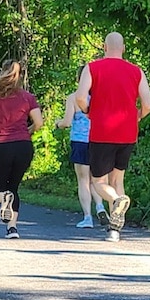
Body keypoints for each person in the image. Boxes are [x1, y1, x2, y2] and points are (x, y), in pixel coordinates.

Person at [75, 33, 150, 240]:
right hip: (127, 132)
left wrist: (88, 110)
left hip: (101, 131)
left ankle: (117, 200)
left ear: (104, 47)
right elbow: (148, 104)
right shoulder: (137, 71)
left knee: (98, 181)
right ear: (124, 48)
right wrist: (137, 116)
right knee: (117, 178)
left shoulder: (92, 68)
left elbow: (80, 97)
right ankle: (114, 231)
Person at [0, 60, 45, 239]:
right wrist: (26, 131)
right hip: (23, 146)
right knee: (13, 188)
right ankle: (12, 228)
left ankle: (3, 200)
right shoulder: (28, 97)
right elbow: (39, 123)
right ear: (20, 76)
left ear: (2, 72)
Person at [57, 91, 103, 227]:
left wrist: (58, 124)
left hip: (80, 141)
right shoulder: (101, 95)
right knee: (97, 179)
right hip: (98, 141)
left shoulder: (74, 97)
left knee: (83, 180)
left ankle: (88, 217)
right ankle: (100, 206)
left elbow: (66, 122)